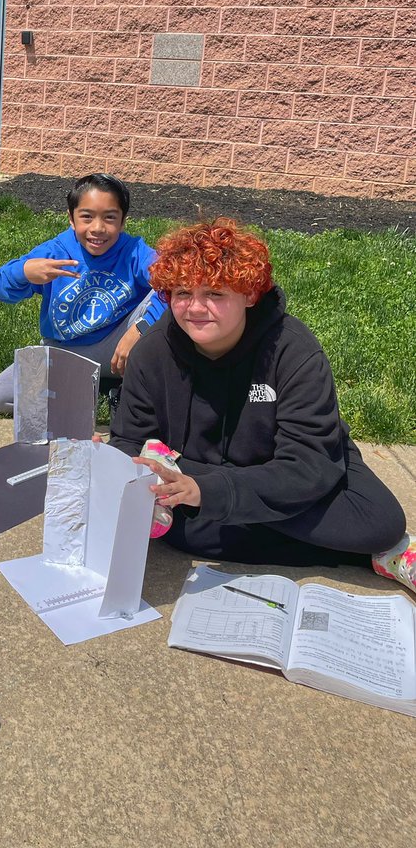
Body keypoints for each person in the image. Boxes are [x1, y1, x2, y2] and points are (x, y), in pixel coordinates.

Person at [110, 217, 416, 593]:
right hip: (198, 480)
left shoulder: (294, 351)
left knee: (379, 523)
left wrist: (211, 492)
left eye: (216, 294)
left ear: (250, 294)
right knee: (186, 534)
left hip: (288, 467)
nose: (196, 307)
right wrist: (112, 465)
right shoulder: (152, 353)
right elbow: (128, 439)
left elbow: (309, 465)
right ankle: (375, 557)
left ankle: (369, 547)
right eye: (182, 293)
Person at [0, 173, 165, 415]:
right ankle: (88, 389)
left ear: (123, 222)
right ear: (71, 218)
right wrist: (25, 271)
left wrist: (140, 329)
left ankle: (125, 383)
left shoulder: (134, 251)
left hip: (121, 345)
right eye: (87, 217)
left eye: (110, 218)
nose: (98, 228)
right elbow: (1, 289)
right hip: (65, 352)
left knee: (170, 295)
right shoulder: (55, 252)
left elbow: (177, 284)